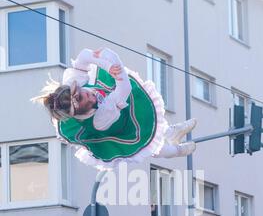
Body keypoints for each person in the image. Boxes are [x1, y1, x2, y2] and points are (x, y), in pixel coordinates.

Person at [33, 48, 197, 170]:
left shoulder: (73, 82)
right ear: (80, 112)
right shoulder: (101, 118)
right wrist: (114, 69)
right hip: (120, 129)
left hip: (116, 102)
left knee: (151, 120)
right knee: (151, 147)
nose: (89, 94)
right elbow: (124, 89)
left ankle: (172, 131)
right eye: (85, 100)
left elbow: (86, 56)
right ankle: (177, 150)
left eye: (83, 92)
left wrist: (107, 65)